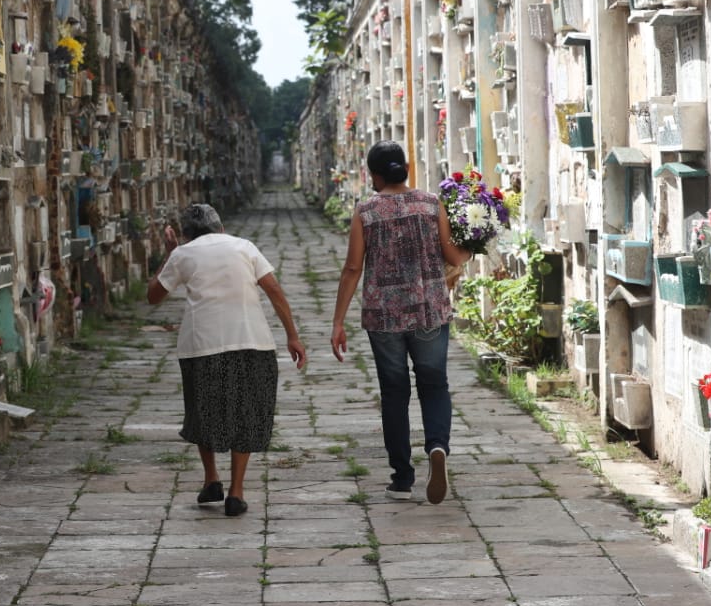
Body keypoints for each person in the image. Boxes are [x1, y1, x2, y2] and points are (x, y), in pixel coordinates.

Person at [330, 142, 472, 505]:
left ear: (375, 175)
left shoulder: (366, 211)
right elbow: (453, 255)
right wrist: (475, 241)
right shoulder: (431, 204)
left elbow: (353, 268)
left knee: (394, 394)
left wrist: (338, 321)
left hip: (384, 316)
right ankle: (437, 447)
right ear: (405, 169)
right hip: (429, 310)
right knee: (434, 385)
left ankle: (402, 477)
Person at [147, 203, 307, 517]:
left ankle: (211, 479)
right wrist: (292, 335)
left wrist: (169, 253)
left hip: (202, 345)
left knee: (203, 411)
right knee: (247, 412)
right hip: (251, 341)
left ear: (186, 234)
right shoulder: (244, 247)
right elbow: (274, 290)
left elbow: (153, 296)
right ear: (221, 228)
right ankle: (236, 491)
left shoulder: (182, 254)